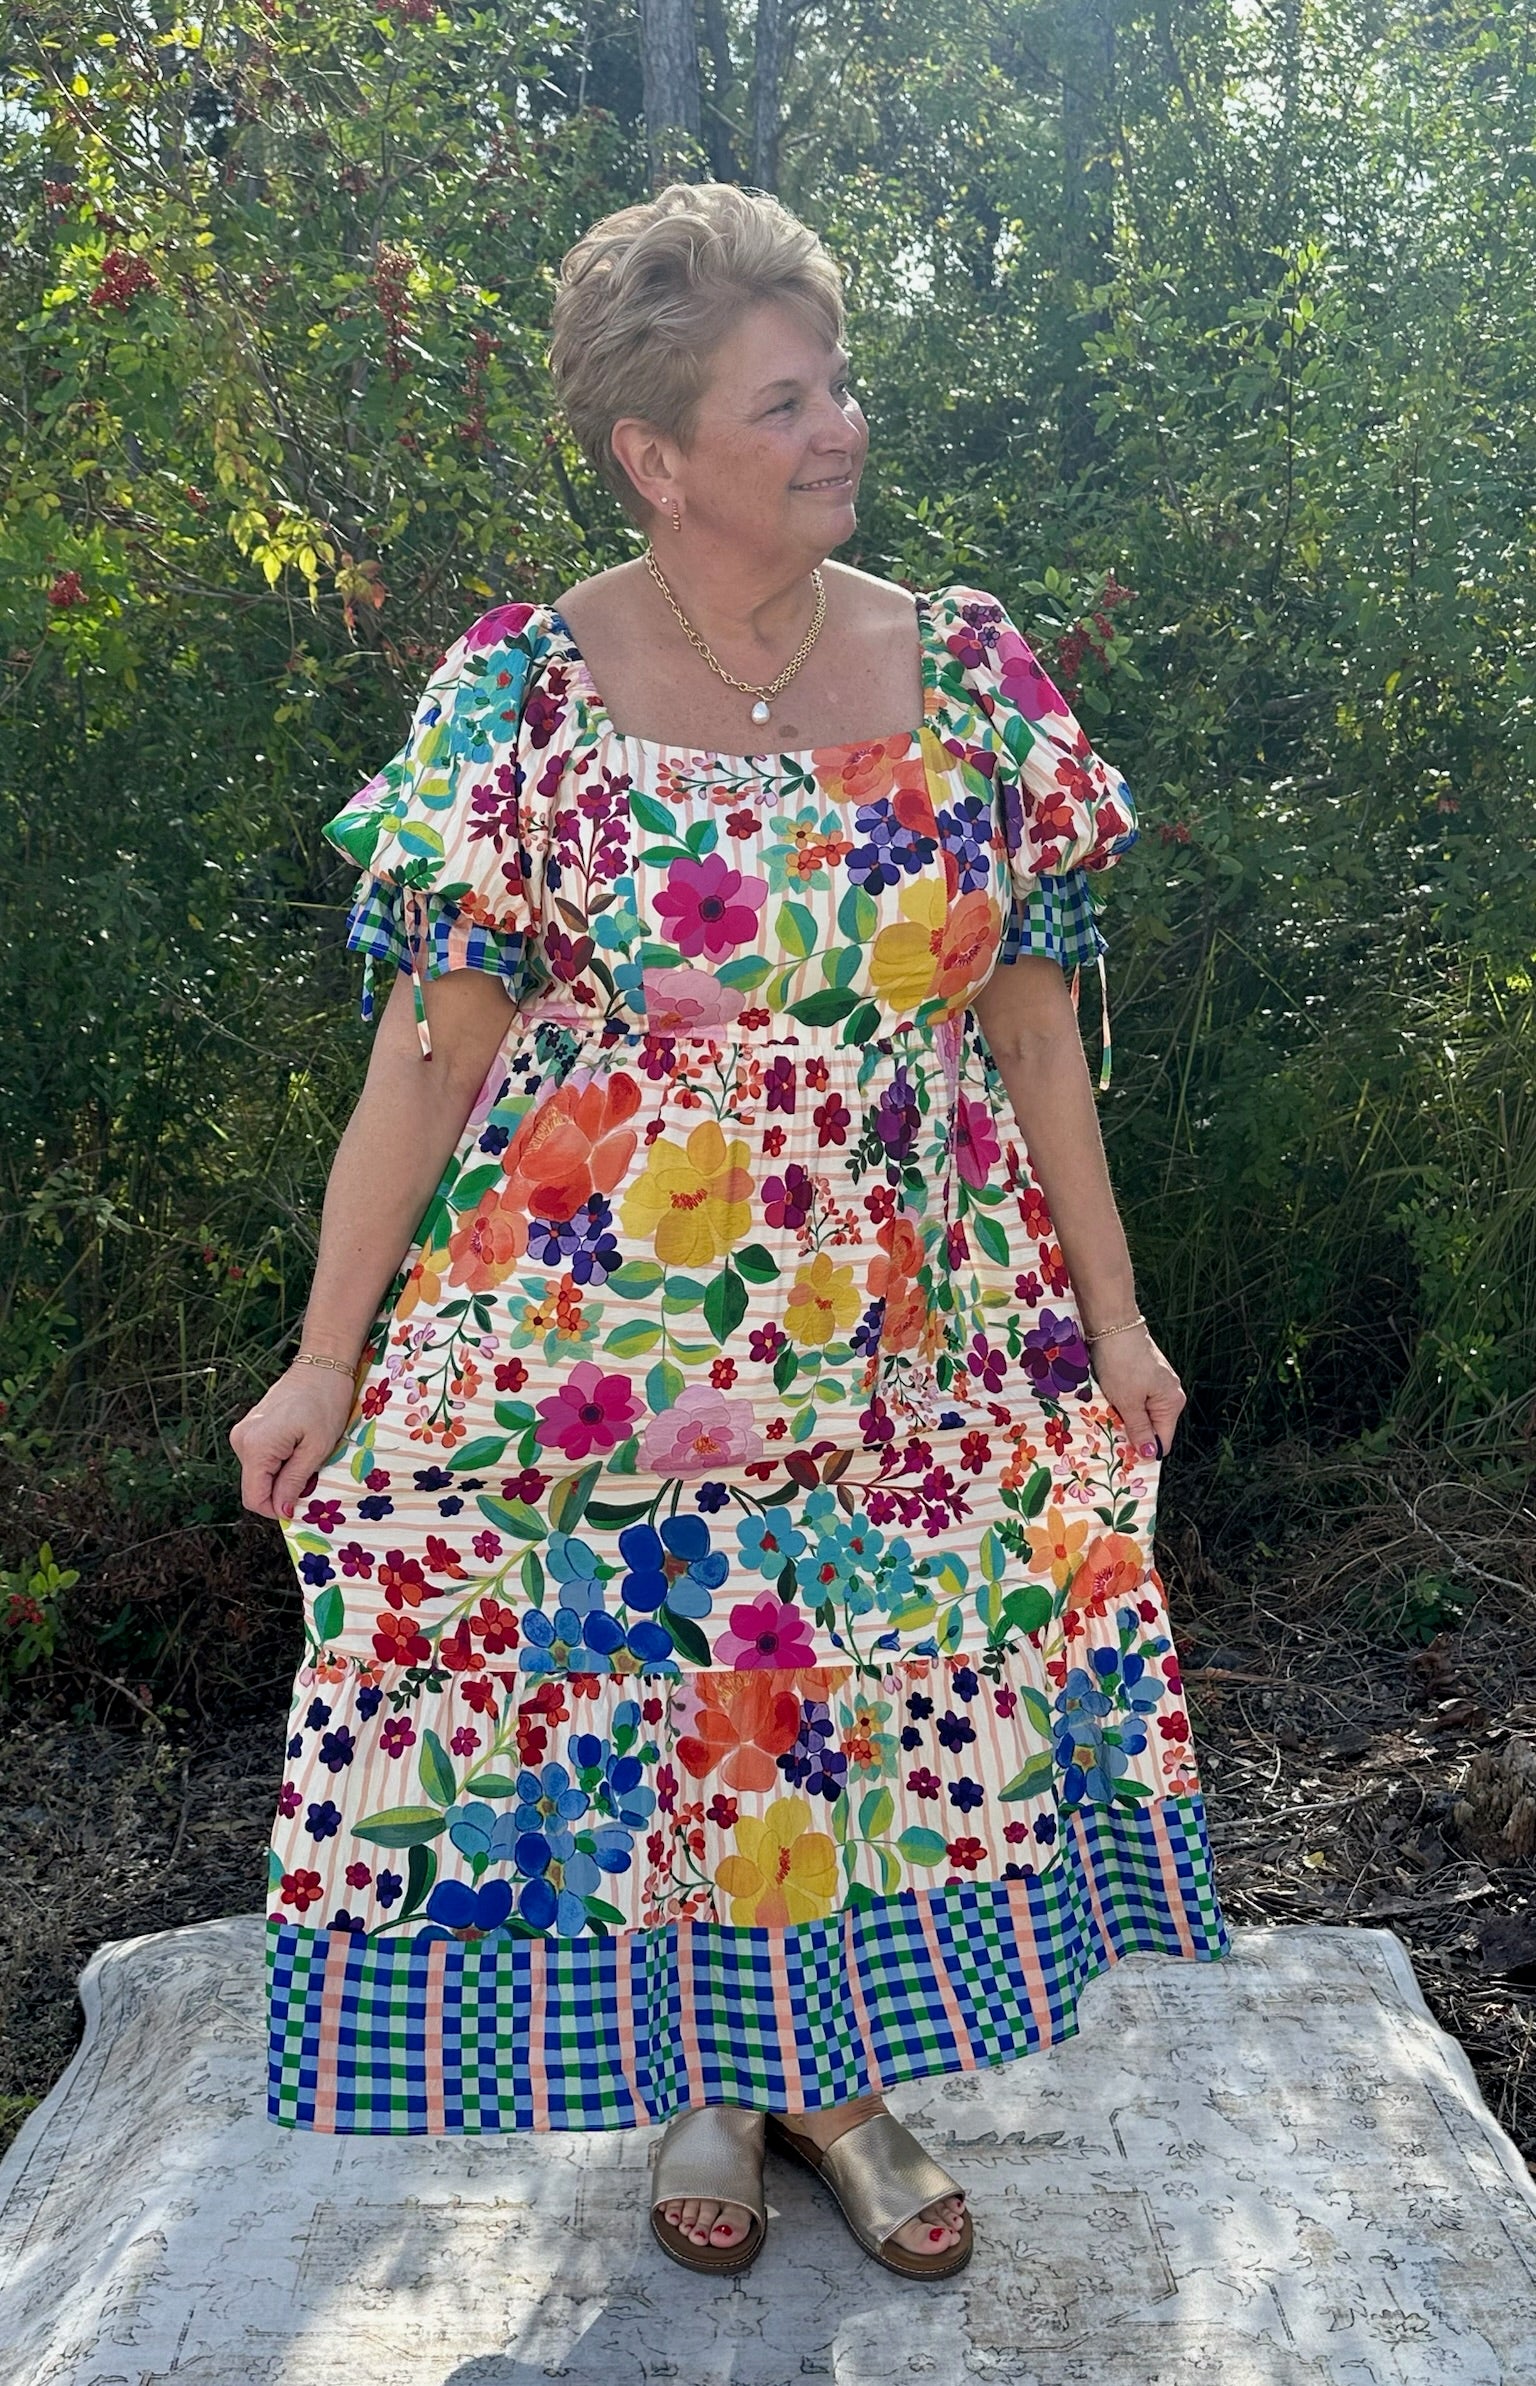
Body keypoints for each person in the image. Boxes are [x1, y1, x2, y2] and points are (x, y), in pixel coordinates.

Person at [233, 179, 1230, 2282]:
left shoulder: (970, 672)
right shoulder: (525, 691)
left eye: (837, 381)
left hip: (917, 1311)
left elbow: (1038, 1031)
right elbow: (428, 1055)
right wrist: (326, 1354)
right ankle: (715, 2072)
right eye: (783, 403)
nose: (840, 425)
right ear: (655, 454)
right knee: (677, 1692)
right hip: (613, 1323)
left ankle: (837, 2084)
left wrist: (1117, 1312)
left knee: (867, 1692)